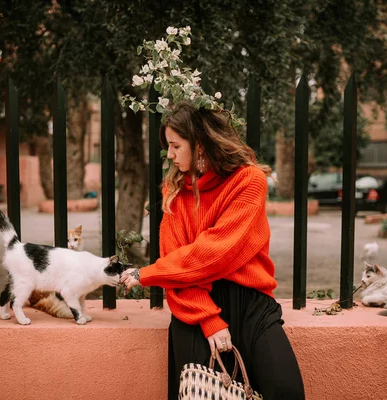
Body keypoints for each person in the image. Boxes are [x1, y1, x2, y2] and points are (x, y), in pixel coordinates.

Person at [120, 101, 305, 399]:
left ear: (201, 145)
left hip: (250, 303)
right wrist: (209, 319)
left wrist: (148, 274)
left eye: (175, 145)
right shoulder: (175, 192)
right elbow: (176, 260)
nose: (169, 154)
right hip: (193, 303)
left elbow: (216, 252)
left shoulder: (248, 181)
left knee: (286, 390)